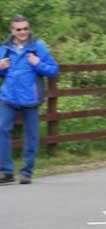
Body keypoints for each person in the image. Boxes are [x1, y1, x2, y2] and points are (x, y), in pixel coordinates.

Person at [0, 16, 59, 185]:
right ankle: (6, 171)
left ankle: (27, 171)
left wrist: (38, 63)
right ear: (12, 31)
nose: (23, 32)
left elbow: (54, 70)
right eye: (19, 29)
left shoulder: (37, 47)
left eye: (25, 28)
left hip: (31, 98)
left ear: (29, 29)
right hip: (9, 97)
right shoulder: (4, 48)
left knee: (32, 135)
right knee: (1, 129)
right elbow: (4, 71)